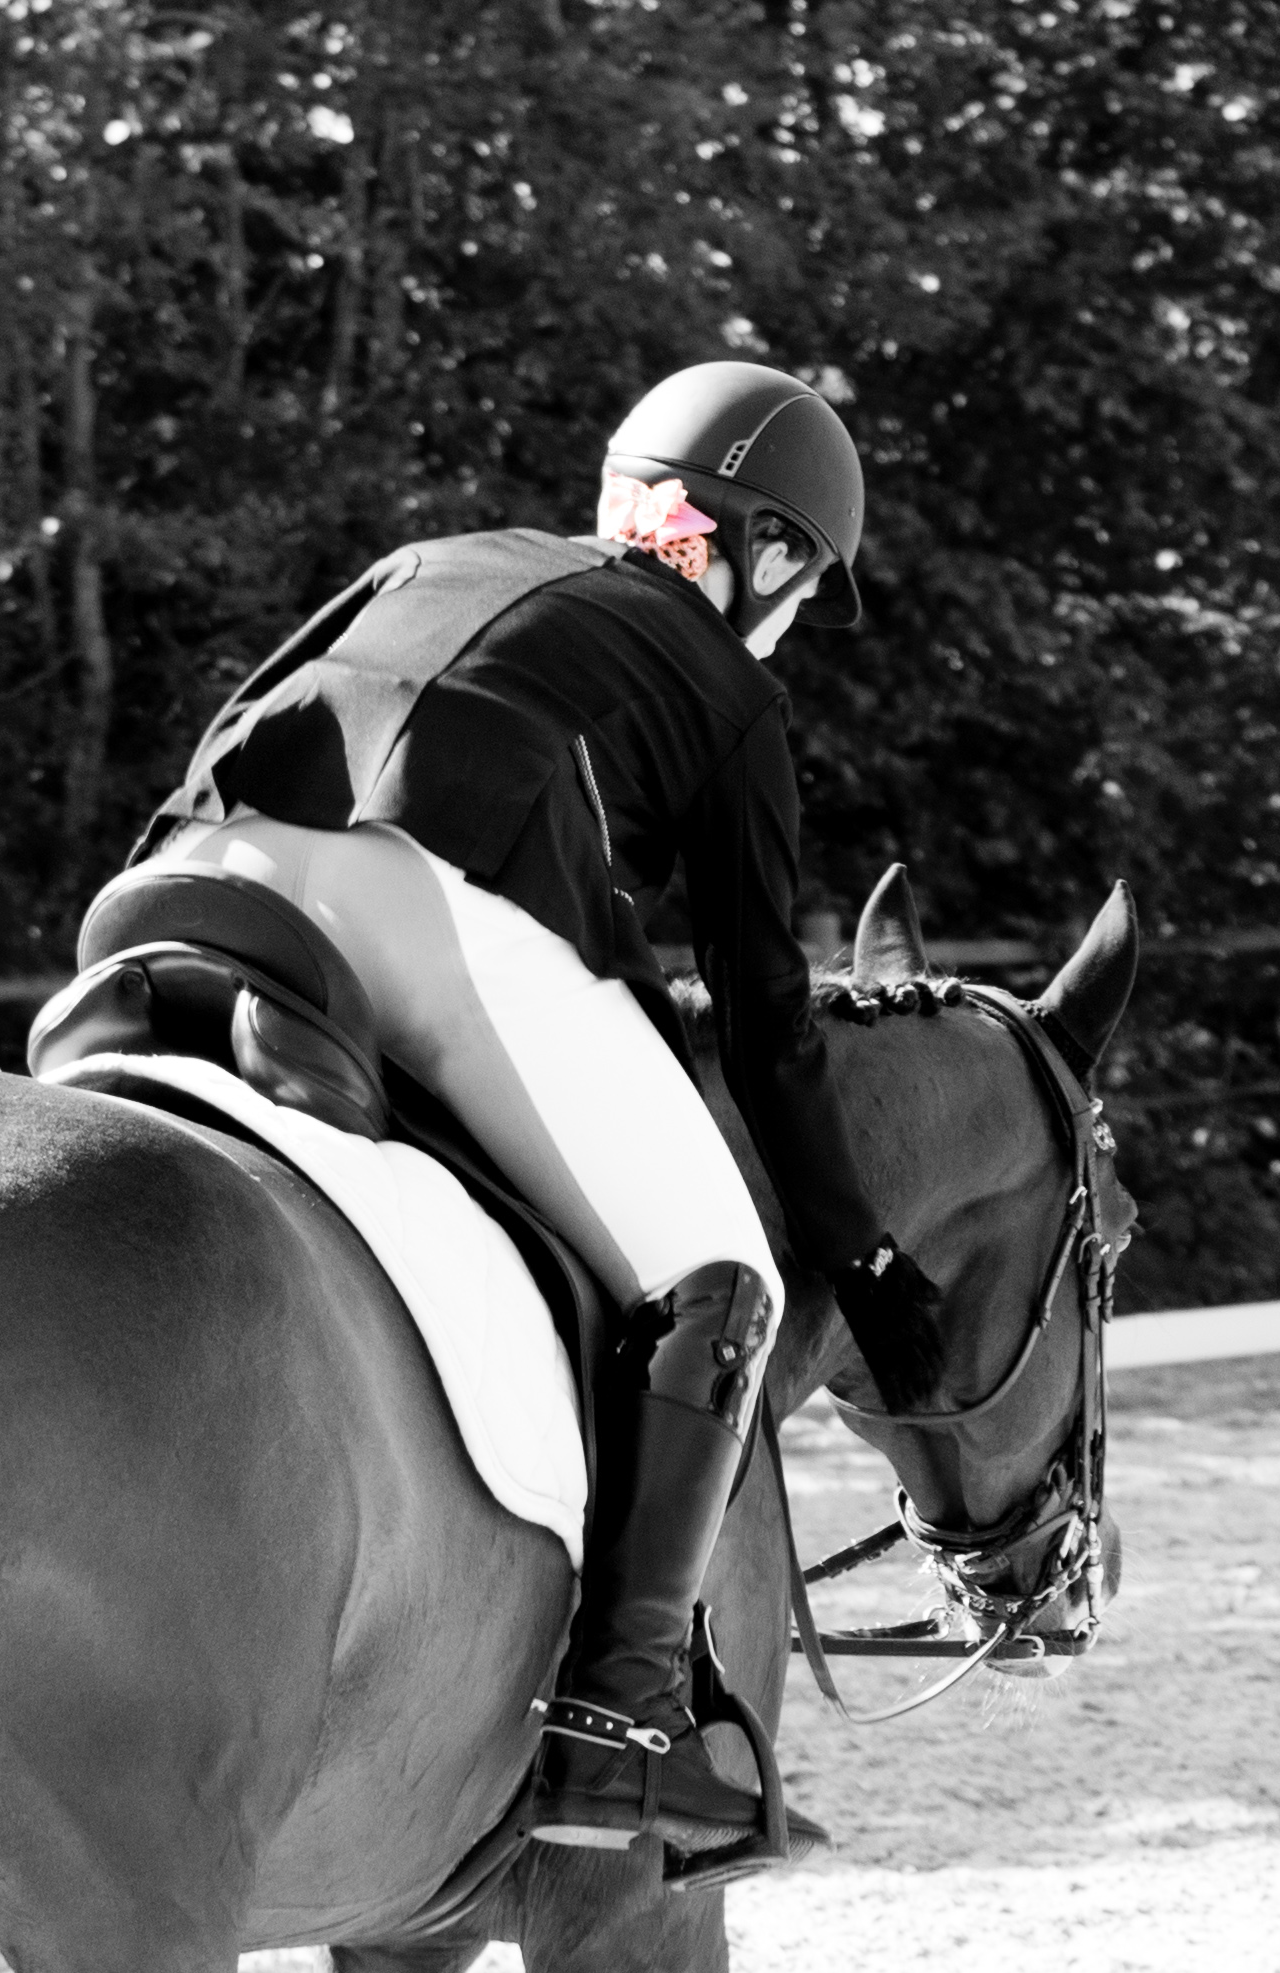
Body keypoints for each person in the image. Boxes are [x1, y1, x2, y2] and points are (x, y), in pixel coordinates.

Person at [115, 359, 947, 1863]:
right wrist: (864, 1256)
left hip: (190, 886)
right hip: (415, 912)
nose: (792, 624)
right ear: (762, 548)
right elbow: (768, 1021)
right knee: (723, 1281)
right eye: (802, 588)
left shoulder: (436, 556)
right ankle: (621, 1721)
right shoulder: (726, 686)